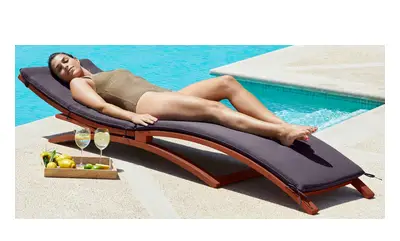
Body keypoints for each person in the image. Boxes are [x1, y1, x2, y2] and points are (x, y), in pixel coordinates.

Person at [48, 52, 317, 146]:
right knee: (213, 109)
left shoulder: (97, 73)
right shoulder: (78, 83)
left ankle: (282, 124)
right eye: (59, 69)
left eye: (65, 61)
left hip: (164, 95)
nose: (65, 68)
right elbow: (101, 106)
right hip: (145, 103)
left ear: (75, 58)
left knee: (227, 83)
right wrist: (132, 117)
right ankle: (280, 133)